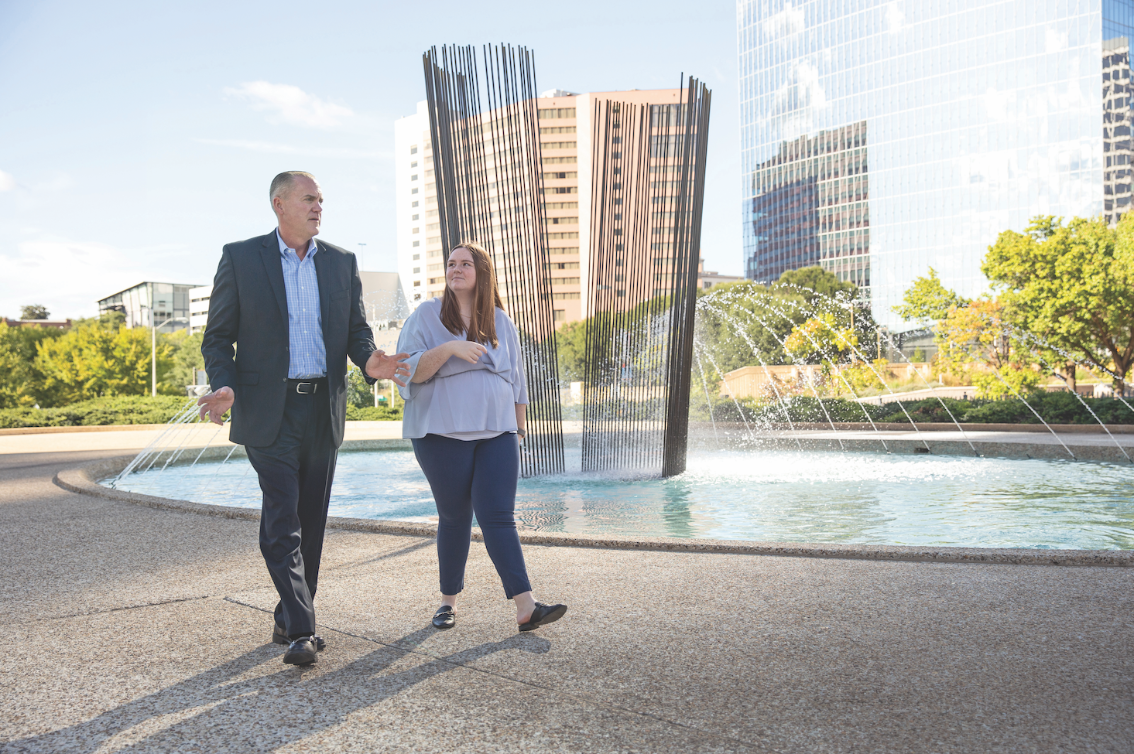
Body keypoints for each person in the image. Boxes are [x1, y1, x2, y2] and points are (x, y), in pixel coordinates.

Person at [198, 171, 410, 665]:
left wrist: (369, 361)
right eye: (309, 199)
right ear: (280, 204)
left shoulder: (340, 261)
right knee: (282, 520)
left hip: (322, 407)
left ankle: (287, 615)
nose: (319, 207)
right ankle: (302, 629)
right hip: (268, 408)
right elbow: (216, 336)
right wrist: (224, 383)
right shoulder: (240, 257)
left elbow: (356, 330)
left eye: (321, 200)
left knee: (311, 521)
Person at [396, 241, 566, 632]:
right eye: (451, 263)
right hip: (441, 433)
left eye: (465, 264)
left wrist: (517, 431)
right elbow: (409, 372)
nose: (456, 268)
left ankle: (526, 606)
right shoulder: (425, 316)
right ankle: (447, 602)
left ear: (481, 273)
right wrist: (451, 348)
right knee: (455, 516)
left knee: (499, 516)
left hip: (499, 433)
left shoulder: (501, 322)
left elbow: (518, 382)